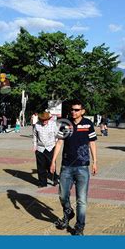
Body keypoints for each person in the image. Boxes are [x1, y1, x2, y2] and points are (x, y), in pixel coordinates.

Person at [50, 100, 98, 236]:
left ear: (82, 111)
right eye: (72, 109)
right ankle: (68, 212)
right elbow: (59, 142)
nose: (73, 112)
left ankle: (79, 227)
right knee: (62, 195)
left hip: (83, 167)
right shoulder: (66, 124)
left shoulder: (88, 124)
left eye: (77, 110)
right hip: (66, 166)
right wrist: (53, 161)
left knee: (81, 200)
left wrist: (95, 162)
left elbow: (92, 143)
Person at [33, 112, 59, 188]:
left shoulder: (53, 124)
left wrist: (57, 145)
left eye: (46, 120)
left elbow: (57, 136)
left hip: (50, 147)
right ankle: (42, 183)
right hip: (40, 148)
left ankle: (54, 179)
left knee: (51, 165)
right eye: (42, 120)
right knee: (41, 166)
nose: (44, 121)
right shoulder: (37, 125)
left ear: (49, 119)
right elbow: (34, 136)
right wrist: (34, 146)